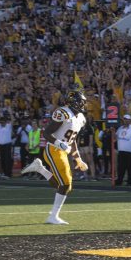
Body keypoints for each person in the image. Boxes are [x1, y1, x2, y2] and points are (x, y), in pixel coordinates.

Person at [21, 89, 88, 225]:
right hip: (53, 150)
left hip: (63, 151)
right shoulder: (62, 113)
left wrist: (78, 158)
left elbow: (72, 139)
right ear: (73, 102)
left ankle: (40, 169)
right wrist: (60, 144)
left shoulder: (81, 118)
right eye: (80, 102)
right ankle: (53, 216)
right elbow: (46, 133)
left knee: (62, 185)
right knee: (66, 184)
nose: (82, 105)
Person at [115, 114, 131, 186]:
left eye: (127, 119)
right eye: (125, 119)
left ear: (130, 120)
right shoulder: (120, 129)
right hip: (121, 151)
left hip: (129, 151)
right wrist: (113, 131)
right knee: (120, 167)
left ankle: (130, 181)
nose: (126, 120)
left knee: (130, 167)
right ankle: (119, 180)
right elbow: (115, 138)